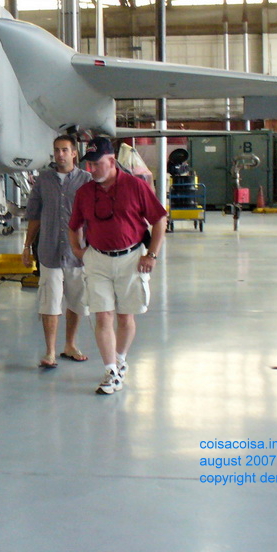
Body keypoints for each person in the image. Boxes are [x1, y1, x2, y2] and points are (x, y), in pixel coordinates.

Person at [68, 137, 167, 395]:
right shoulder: (85, 192)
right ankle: (110, 370)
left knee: (125, 316)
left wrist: (151, 255)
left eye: (97, 164)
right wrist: (78, 250)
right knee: (102, 315)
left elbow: (159, 220)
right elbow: (74, 225)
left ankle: (121, 359)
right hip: (97, 260)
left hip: (131, 259)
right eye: (88, 164)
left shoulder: (136, 186)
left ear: (112, 161)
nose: (91, 170)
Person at [21, 134, 92, 369]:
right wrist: (26, 247)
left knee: (76, 301)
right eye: (56, 150)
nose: (60, 154)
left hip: (77, 254)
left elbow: (94, 217)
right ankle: (50, 351)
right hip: (49, 252)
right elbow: (33, 216)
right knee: (50, 303)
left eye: (64, 150)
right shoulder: (43, 180)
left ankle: (70, 345)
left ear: (74, 153)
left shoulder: (87, 180)